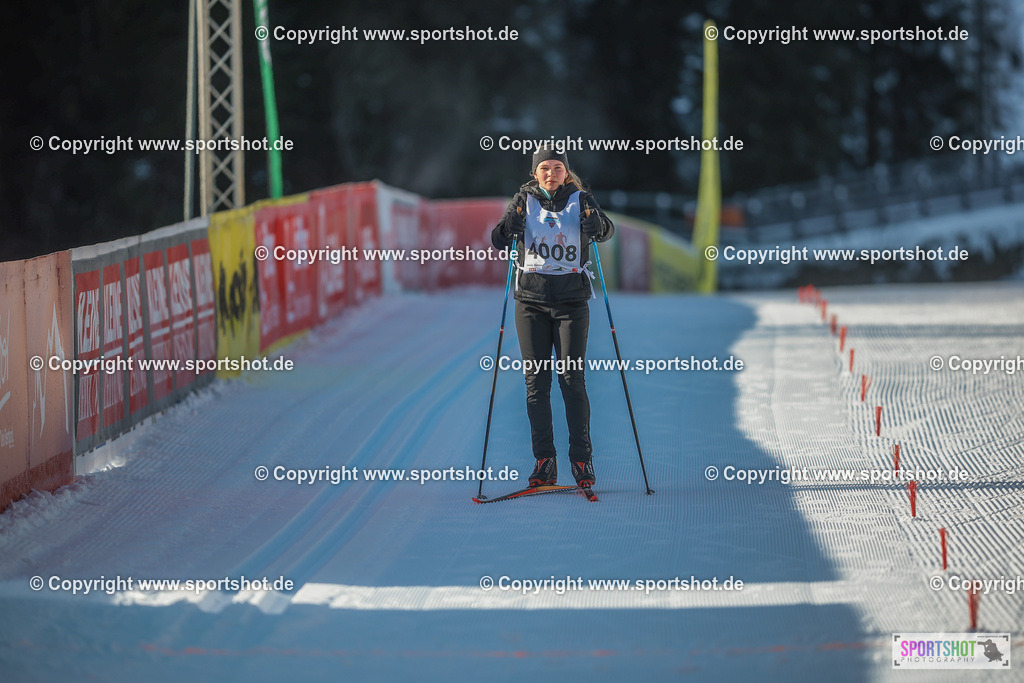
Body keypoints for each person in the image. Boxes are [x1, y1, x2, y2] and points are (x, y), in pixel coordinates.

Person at [490, 144, 614, 488]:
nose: (551, 173)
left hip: (572, 304)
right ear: (535, 172)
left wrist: (595, 224)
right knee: (536, 384)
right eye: (544, 167)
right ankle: (544, 461)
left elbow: (606, 232)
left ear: (566, 171)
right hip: (530, 302)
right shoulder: (522, 200)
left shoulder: (581, 198)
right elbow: (498, 239)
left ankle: (581, 461)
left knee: (572, 382)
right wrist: (510, 226)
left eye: (557, 167)